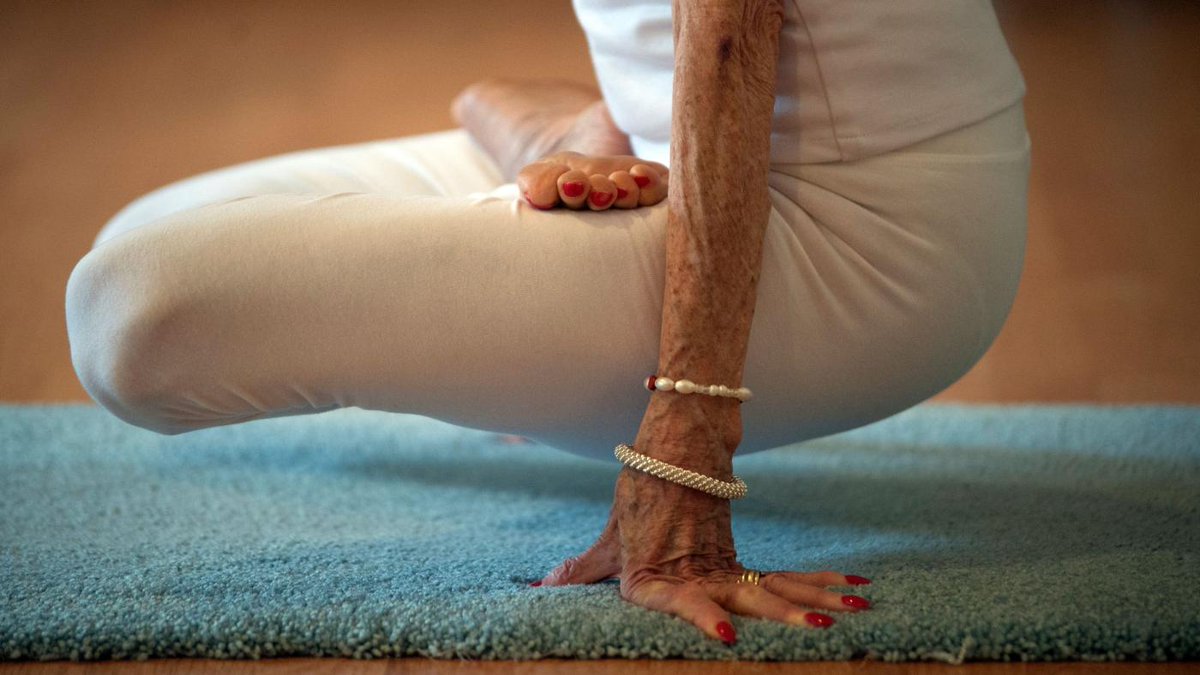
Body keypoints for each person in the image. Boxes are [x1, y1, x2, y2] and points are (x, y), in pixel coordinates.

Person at [64, 0, 1030, 646]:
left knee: (135, 319)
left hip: (856, 234)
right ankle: (565, 133)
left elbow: (728, 37)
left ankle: (562, 156)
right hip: (670, 148)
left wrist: (684, 452)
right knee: (142, 235)